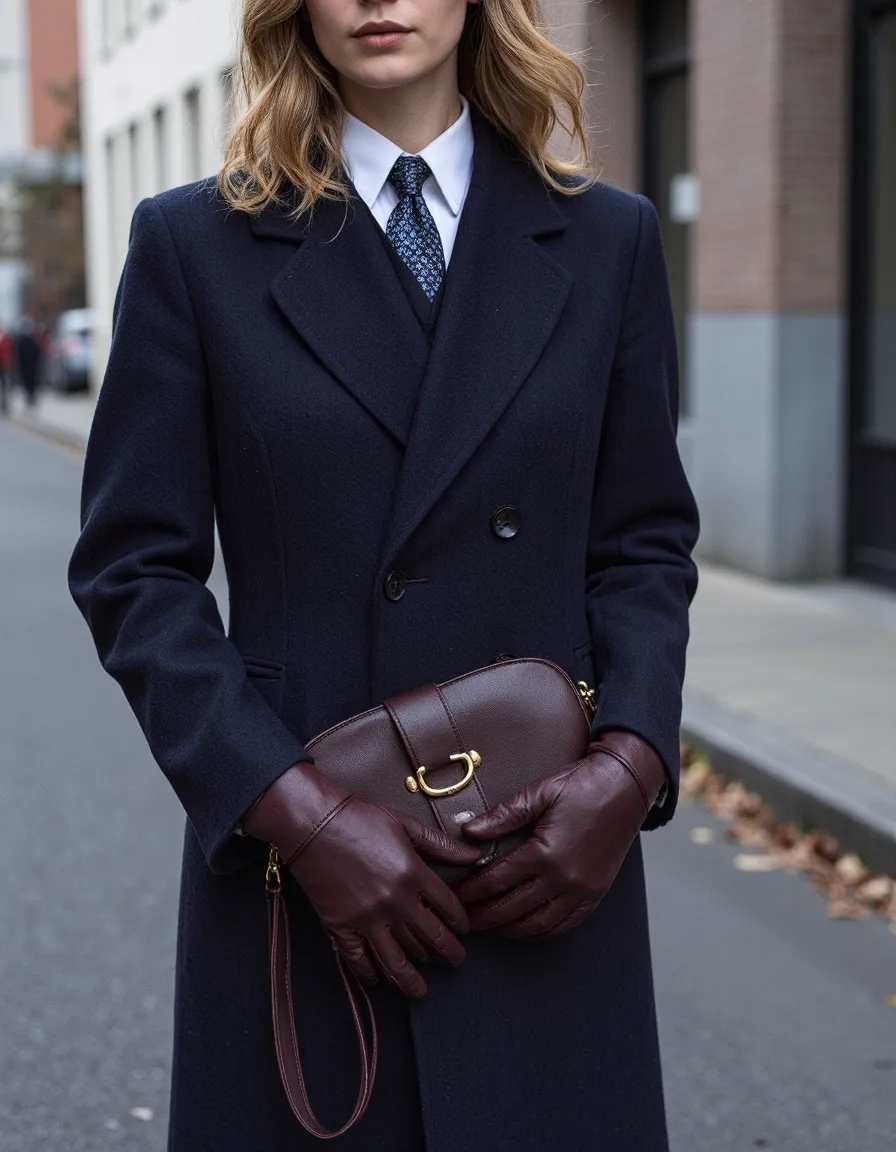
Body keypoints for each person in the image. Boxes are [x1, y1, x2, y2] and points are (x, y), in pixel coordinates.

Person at [68, 1, 699, 1149]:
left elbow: (643, 544)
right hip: (308, 857)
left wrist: (630, 766)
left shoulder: (606, 240)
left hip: (540, 853)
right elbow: (134, 571)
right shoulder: (194, 246)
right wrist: (295, 815)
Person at [13, 314, 42, 407]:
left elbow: (38, 351)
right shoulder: (21, 339)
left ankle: (32, 397)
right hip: (25, 365)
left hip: (32, 365)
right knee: (27, 382)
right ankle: (29, 397)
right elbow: (18, 352)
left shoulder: (33, 338)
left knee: (32, 381)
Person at [0, 325, 13, 414]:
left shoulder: (6, 339)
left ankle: (4, 404)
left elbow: (10, 351)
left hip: (4, 365)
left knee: (5, 385)